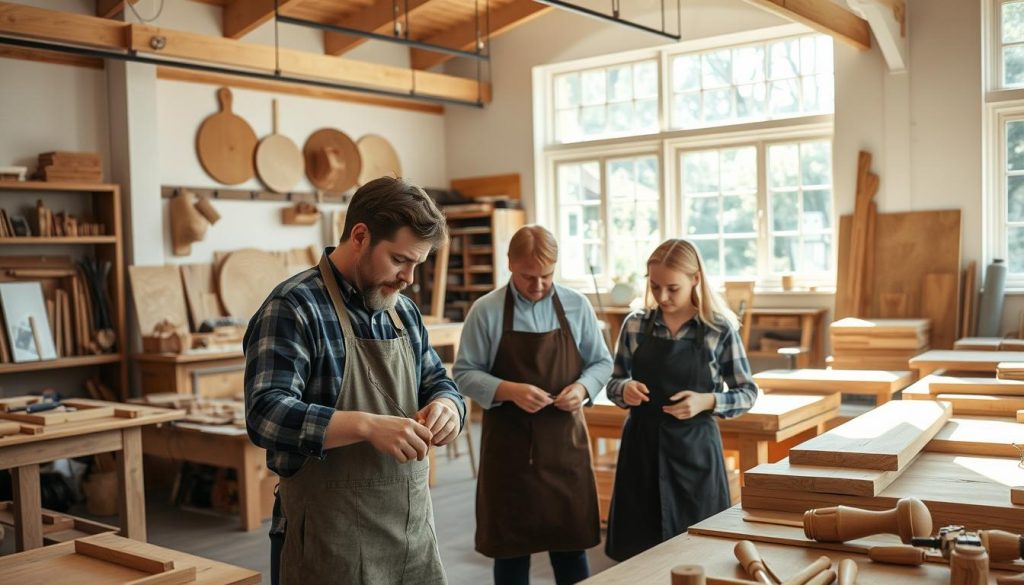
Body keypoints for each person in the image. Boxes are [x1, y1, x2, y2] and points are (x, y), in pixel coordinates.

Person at [243, 177, 466, 585]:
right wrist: (365, 425)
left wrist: (450, 408)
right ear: (360, 236)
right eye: (400, 260)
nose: (409, 278)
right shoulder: (294, 307)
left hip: (411, 538)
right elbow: (265, 413)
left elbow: (438, 381)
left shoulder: (403, 312)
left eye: (418, 264)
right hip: (331, 543)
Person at [453, 225, 613, 585]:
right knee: (510, 553)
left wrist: (583, 387)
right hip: (509, 455)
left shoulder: (576, 305)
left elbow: (602, 362)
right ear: (509, 264)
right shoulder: (486, 311)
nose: (539, 285)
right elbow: (463, 373)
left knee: (571, 549)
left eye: (547, 275)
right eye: (528, 277)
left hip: (564, 449)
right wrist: (508, 389)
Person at [604, 238, 758, 562]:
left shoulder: (719, 329)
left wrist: (708, 401)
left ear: (695, 280)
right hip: (641, 452)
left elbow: (747, 393)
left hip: (696, 454)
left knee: (699, 552)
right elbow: (614, 382)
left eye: (672, 288)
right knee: (640, 554)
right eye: (655, 286)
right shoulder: (635, 325)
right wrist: (624, 389)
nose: (662, 296)